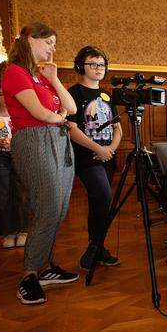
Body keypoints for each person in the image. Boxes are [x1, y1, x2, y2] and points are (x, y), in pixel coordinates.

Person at [2, 22, 79, 305]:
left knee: (59, 208)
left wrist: (55, 79)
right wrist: (57, 116)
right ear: (30, 40)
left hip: (58, 140)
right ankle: (29, 275)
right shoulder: (15, 72)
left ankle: (45, 268)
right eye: (49, 42)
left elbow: (70, 109)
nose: (53, 48)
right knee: (47, 206)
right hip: (34, 141)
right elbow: (41, 114)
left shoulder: (43, 77)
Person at [67, 46, 122, 270]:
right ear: (81, 66)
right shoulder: (74, 93)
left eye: (102, 64)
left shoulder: (107, 95)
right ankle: (95, 248)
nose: (99, 68)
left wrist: (110, 149)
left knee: (99, 203)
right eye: (93, 64)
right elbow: (70, 128)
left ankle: (97, 247)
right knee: (103, 196)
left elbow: (118, 127)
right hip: (87, 158)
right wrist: (97, 149)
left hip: (108, 156)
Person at [0, 80, 28, 248]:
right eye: (1, 94)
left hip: (19, 156)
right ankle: (7, 232)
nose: (6, 98)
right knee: (2, 194)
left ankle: (22, 230)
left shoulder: (19, 115)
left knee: (21, 193)